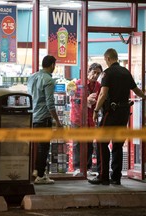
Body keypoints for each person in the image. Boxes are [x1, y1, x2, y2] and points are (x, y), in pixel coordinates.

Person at [89, 48, 146, 185]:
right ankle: (116, 177)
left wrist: (96, 110)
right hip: (124, 113)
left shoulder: (107, 73)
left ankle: (103, 177)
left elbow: (103, 94)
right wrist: (145, 97)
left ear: (108, 58)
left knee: (102, 142)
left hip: (111, 112)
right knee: (117, 145)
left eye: (105, 60)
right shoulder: (125, 72)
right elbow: (136, 90)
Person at [27, 55, 63, 184]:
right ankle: (41, 176)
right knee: (43, 147)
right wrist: (58, 122)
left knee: (37, 147)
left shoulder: (32, 77)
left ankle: (37, 171)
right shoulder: (48, 79)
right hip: (43, 118)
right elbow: (50, 103)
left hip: (33, 117)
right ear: (52, 65)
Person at [69, 63, 103, 176]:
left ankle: (87, 168)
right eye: (94, 72)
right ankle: (78, 168)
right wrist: (86, 100)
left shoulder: (98, 86)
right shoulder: (78, 84)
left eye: (98, 73)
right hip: (78, 118)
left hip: (90, 118)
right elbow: (73, 100)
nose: (95, 75)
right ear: (88, 72)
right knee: (77, 143)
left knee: (89, 143)